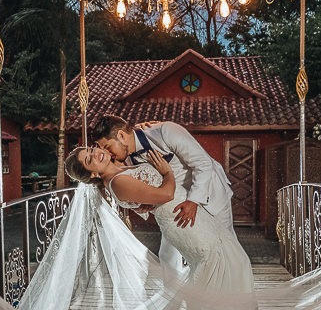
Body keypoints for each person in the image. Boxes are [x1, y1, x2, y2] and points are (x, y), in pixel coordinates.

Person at [65, 143, 258, 310]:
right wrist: (167, 172)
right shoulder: (116, 182)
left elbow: (152, 194)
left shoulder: (120, 170)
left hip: (186, 213)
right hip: (181, 220)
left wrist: (152, 195)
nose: (96, 154)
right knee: (220, 260)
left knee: (229, 261)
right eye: (90, 159)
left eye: (92, 150)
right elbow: (165, 195)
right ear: (92, 172)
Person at [90, 115, 238, 272]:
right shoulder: (126, 159)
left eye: (107, 147)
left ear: (120, 135)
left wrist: (194, 201)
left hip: (210, 193)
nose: (108, 153)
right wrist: (144, 206)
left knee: (228, 248)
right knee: (168, 256)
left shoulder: (165, 131)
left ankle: (235, 290)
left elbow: (203, 163)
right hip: (174, 204)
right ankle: (177, 295)